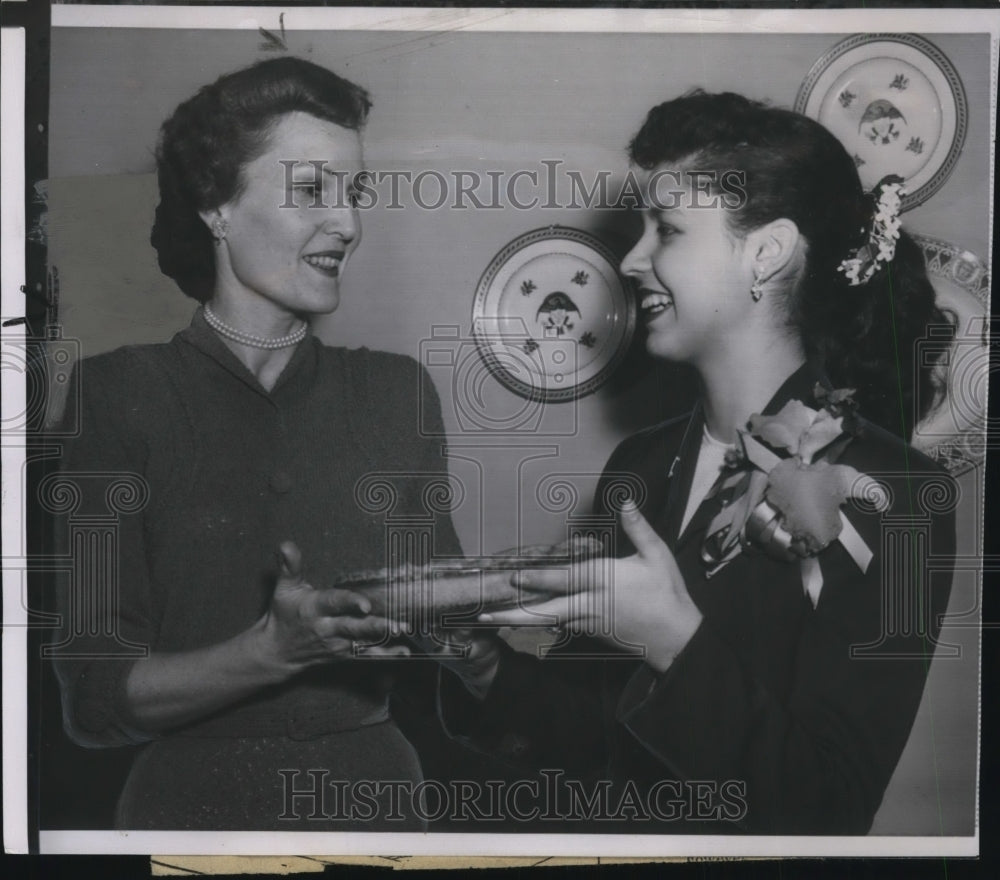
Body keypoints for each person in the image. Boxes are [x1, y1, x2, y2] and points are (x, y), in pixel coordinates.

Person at [438, 91, 957, 835]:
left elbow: (828, 808)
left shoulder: (900, 494)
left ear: (767, 253)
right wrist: (480, 665)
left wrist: (673, 642)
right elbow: (596, 742)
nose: (631, 259)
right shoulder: (639, 465)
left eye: (668, 230)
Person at [49, 57, 463, 830]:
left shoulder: (398, 393)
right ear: (216, 207)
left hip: (377, 805)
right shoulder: (118, 395)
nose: (349, 223)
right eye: (312, 190)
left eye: (354, 193)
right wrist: (270, 653)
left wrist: (506, 607)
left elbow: (442, 631)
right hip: (191, 812)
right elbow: (95, 703)